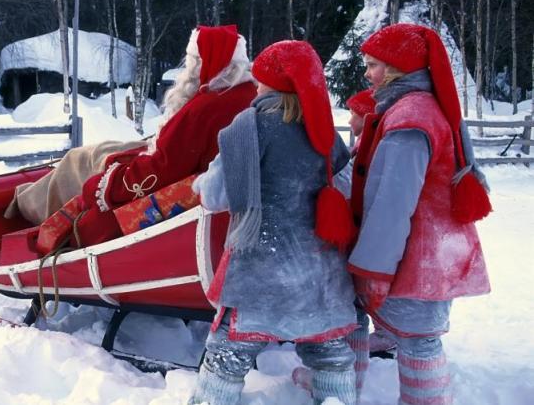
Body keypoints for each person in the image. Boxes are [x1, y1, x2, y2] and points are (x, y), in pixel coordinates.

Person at [188, 40, 358, 405]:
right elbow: (344, 187)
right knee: (330, 354)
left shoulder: (248, 127)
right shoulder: (323, 132)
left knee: (227, 356)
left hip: (259, 272)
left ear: (269, 83)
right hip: (318, 274)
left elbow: (215, 196)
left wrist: (200, 181)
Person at [345, 23, 491, 404]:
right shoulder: (420, 107)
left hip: (415, 255)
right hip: (430, 250)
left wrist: (373, 270)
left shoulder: (410, 119)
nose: (367, 73)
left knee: (418, 341)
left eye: (374, 65)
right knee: (412, 334)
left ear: (398, 69)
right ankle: (346, 389)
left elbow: (392, 203)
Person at [74, 24, 258, 246]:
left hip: (191, 207)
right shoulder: (250, 94)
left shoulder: (205, 108)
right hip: (226, 199)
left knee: (93, 218)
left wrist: (108, 185)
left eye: (192, 61)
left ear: (204, 63)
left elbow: (164, 168)